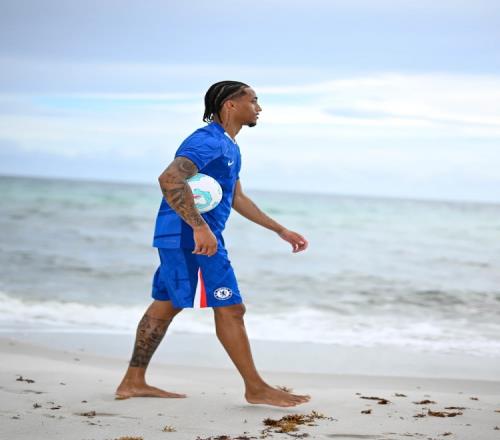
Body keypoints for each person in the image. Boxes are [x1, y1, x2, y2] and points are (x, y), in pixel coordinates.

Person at [116, 80, 310, 407]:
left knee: (166, 303)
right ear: (231, 104)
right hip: (192, 237)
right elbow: (169, 178)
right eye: (253, 101)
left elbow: (237, 197)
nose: (259, 108)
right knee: (231, 308)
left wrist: (280, 230)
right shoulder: (208, 141)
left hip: (186, 235)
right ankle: (256, 388)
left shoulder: (230, 146)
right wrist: (200, 227)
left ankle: (133, 381)